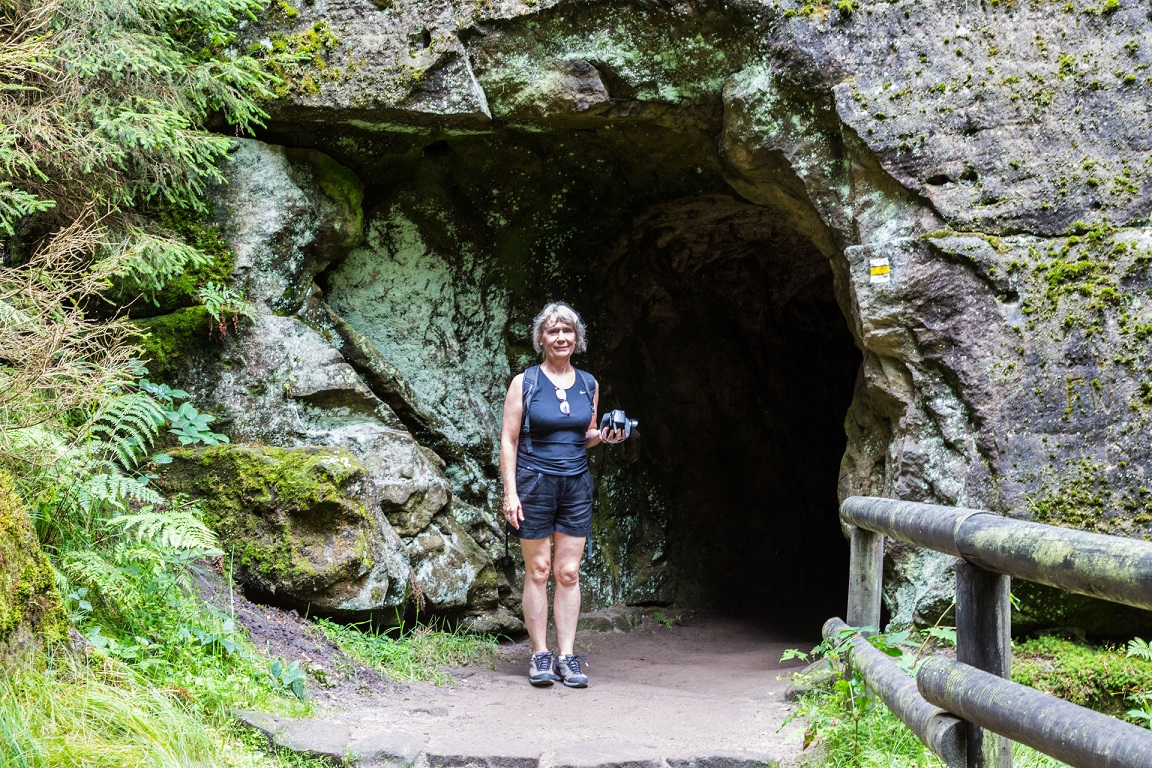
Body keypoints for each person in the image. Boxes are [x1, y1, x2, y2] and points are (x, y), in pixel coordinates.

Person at [499, 301, 625, 688]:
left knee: (567, 572)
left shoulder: (589, 384)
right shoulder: (526, 382)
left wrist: (603, 436)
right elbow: (509, 439)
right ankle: (540, 654)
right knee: (538, 570)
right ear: (541, 339)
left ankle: (568, 656)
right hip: (534, 482)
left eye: (567, 331)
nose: (560, 337)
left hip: (575, 484)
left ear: (577, 338)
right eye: (553, 332)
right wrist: (510, 493)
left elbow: (584, 436)